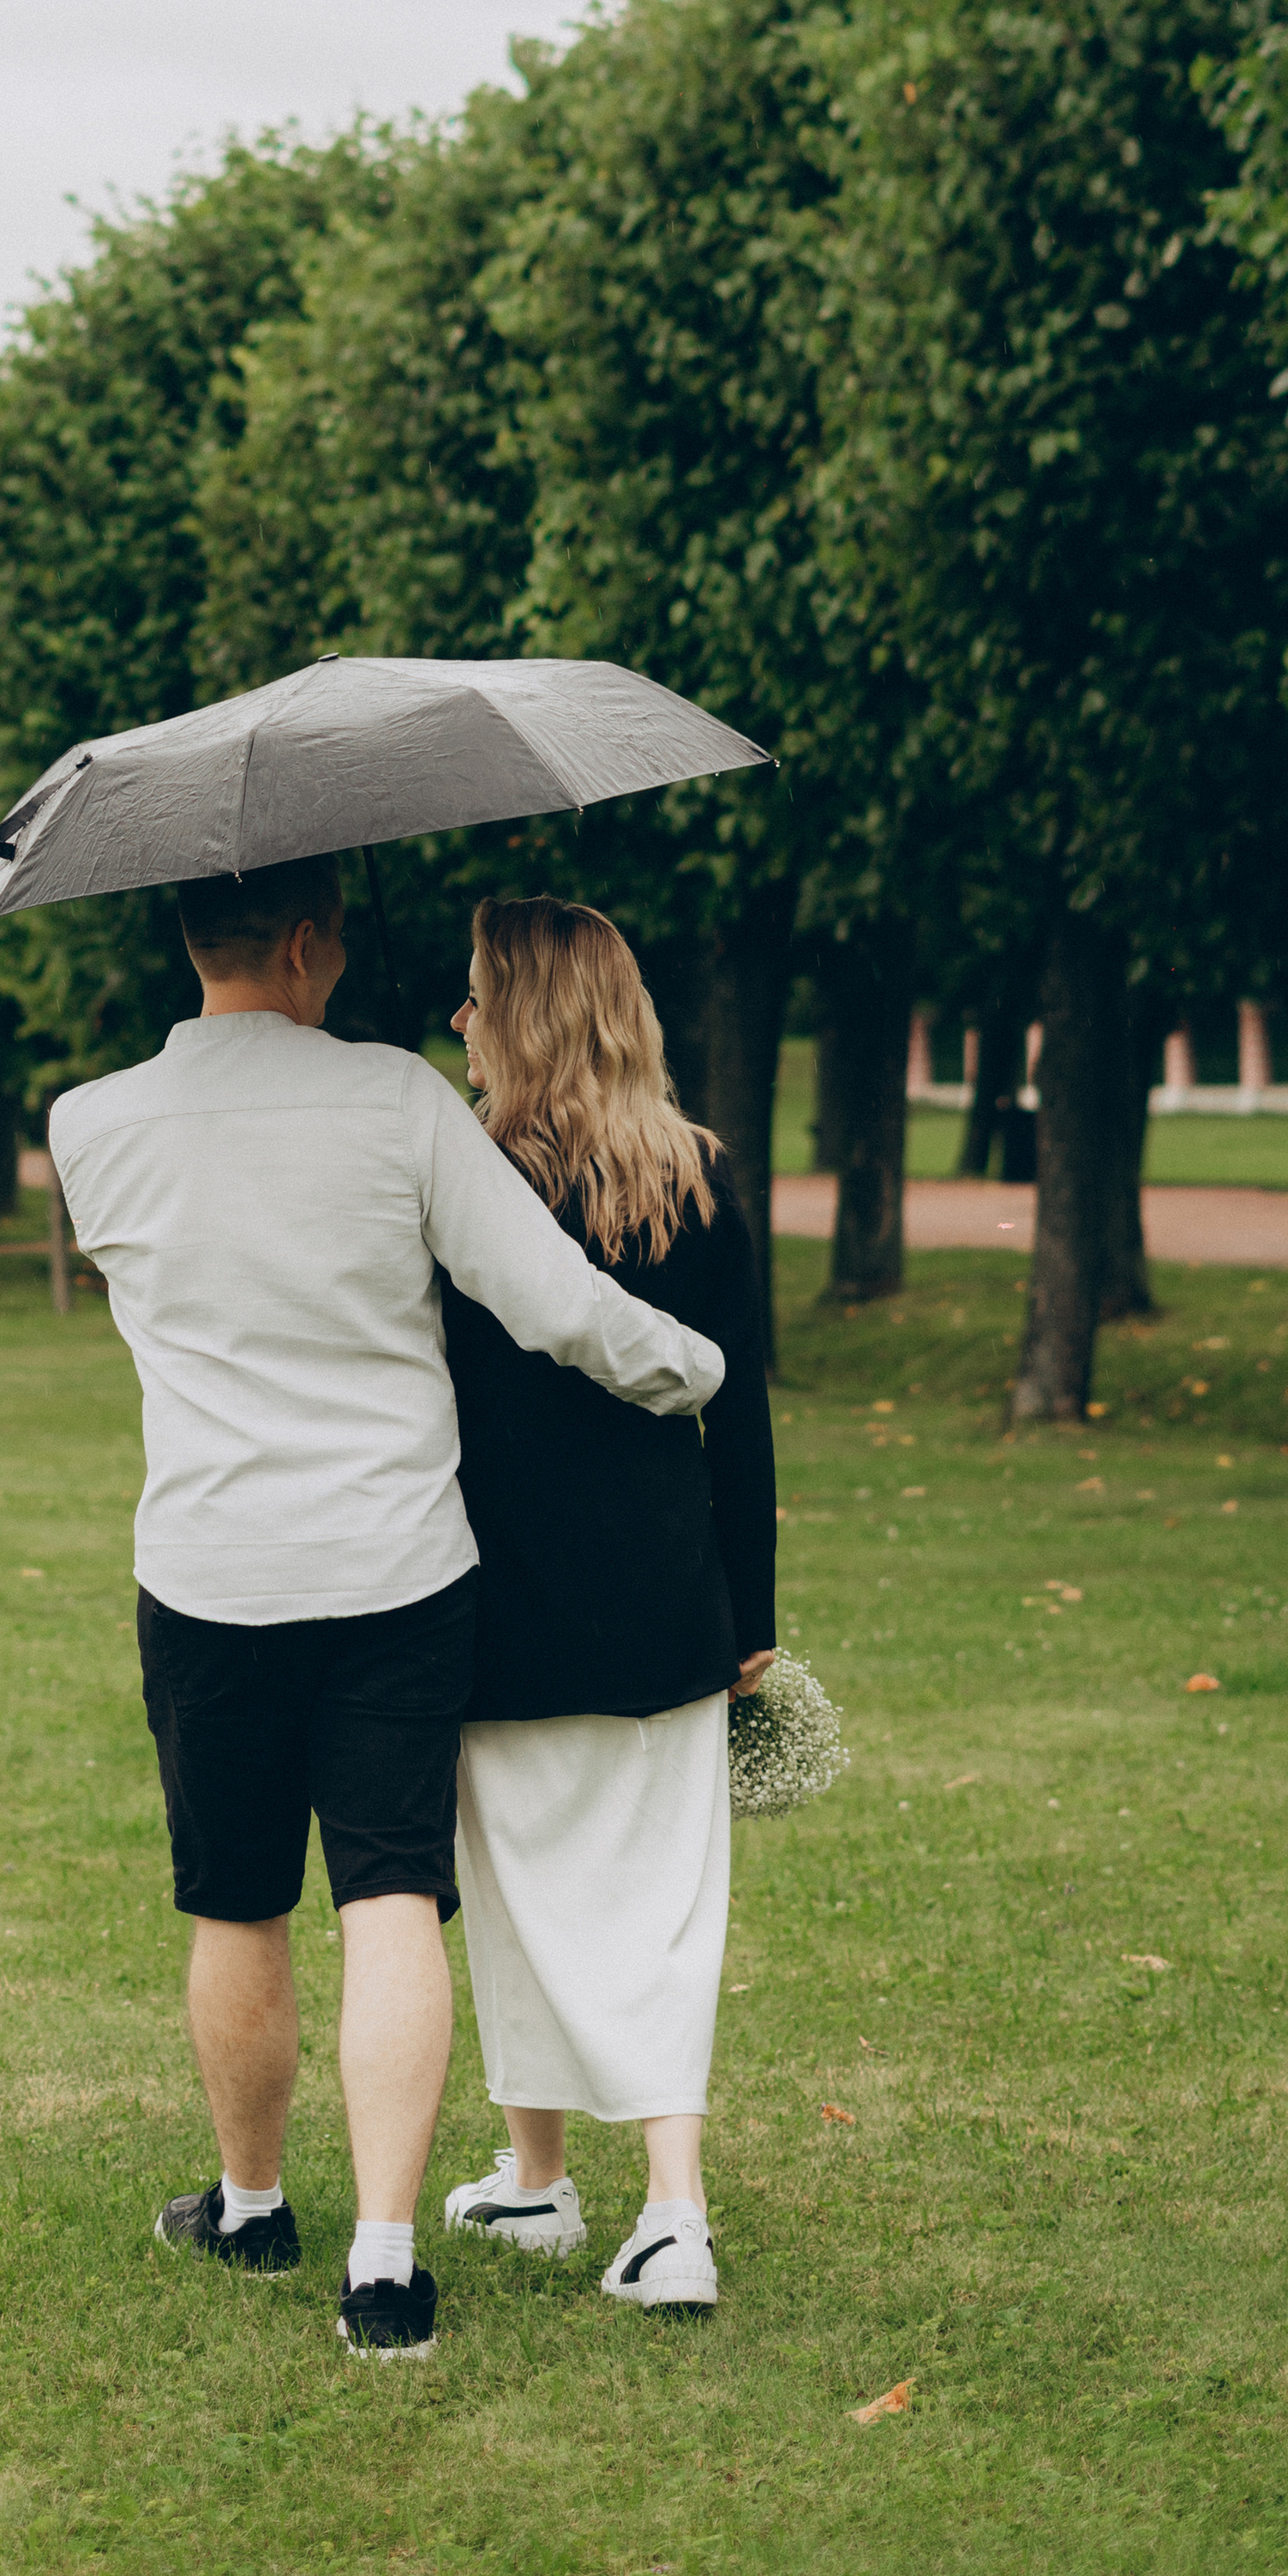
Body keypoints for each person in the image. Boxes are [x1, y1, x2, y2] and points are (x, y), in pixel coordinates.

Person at [46, 854, 726, 2360]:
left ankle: (250, 2203)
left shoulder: (86, 1128)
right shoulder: (401, 1102)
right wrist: (698, 1370)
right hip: (395, 1576)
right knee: (390, 1901)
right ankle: (386, 2263)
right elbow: (556, 1305)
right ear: (305, 943)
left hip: (210, 1576)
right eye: (338, 944)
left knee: (235, 1901)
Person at [434, 896, 776, 2311]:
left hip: (503, 1603)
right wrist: (751, 1616)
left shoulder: (462, 1186)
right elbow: (739, 1419)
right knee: (663, 1909)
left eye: (471, 995)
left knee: (520, 1900)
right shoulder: (699, 1174)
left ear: (515, 1013)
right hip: (663, 1601)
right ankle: (635, 2207)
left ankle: (573, 2188)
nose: (456, 1017)